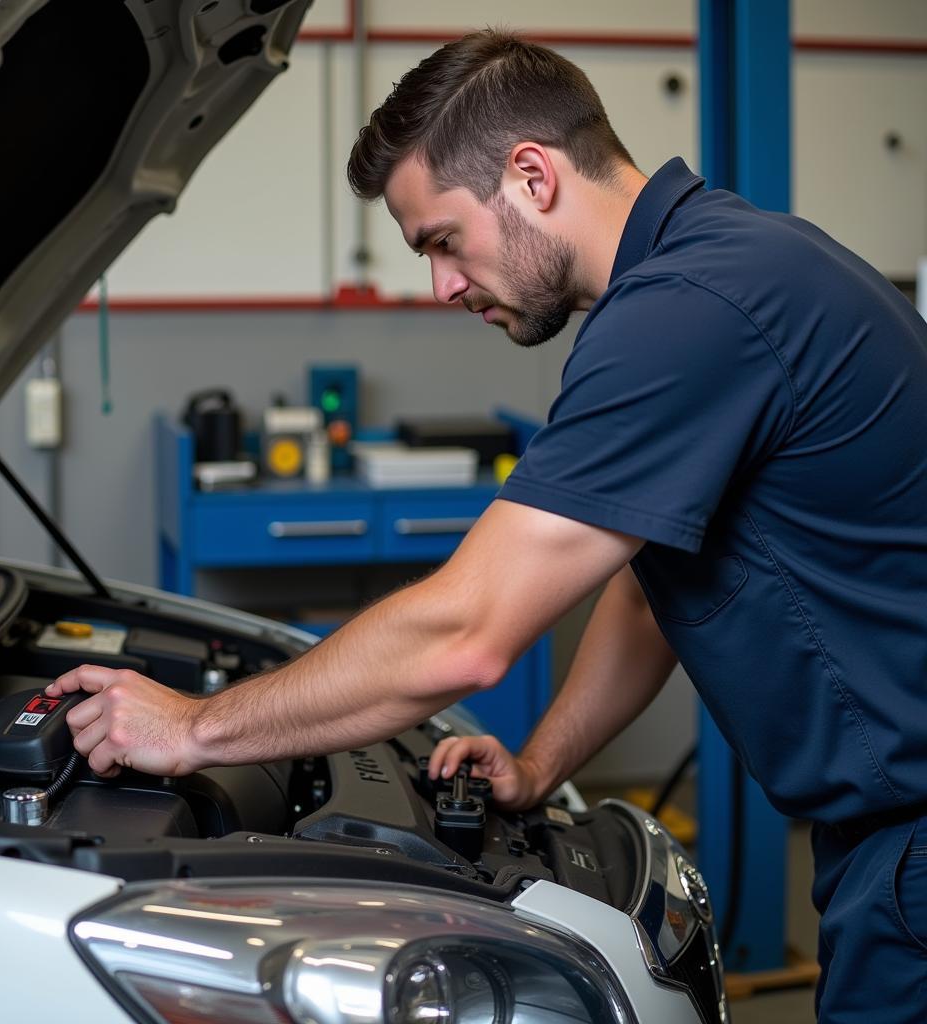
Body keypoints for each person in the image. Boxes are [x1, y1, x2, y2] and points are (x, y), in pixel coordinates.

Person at [46, 30, 927, 1021]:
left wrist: (195, 728)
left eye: (441, 241)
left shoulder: (687, 310)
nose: (442, 287)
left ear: (532, 175)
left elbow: (464, 635)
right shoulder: (720, 263)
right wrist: (544, 761)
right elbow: (649, 587)